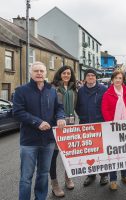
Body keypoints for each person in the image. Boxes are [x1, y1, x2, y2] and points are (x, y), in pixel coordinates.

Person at [13, 61, 66, 200]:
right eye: (36, 71)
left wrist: (60, 117)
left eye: (42, 71)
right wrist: (37, 122)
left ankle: (40, 197)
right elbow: (17, 112)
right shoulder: (21, 90)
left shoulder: (52, 90)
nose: (39, 73)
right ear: (31, 73)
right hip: (29, 141)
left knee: (43, 174)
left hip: (48, 140)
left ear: (45, 73)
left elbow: (59, 108)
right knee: (26, 176)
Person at [102, 70, 126, 190]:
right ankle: (113, 179)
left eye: (120, 78)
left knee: (125, 152)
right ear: (112, 80)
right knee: (113, 154)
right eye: (116, 78)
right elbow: (105, 110)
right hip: (113, 129)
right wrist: (112, 124)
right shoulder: (107, 94)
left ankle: (125, 175)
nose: (118, 80)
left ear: (123, 80)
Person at [75, 69, 109, 187]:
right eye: (88, 75)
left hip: (100, 124)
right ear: (85, 78)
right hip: (85, 125)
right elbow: (77, 107)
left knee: (101, 150)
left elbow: (107, 106)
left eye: (92, 75)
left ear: (96, 77)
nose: (90, 77)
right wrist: (83, 116)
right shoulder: (80, 91)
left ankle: (104, 175)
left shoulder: (103, 89)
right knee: (89, 151)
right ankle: (91, 174)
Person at [50, 65, 77, 197]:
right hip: (57, 125)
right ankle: (55, 184)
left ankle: (68, 177)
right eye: (64, 73)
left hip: (71, 124)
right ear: (59, 74)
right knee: (53, 156)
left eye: (68, 73)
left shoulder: (74, 89)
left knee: (69, 154)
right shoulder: (52, 89)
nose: (66, 75)